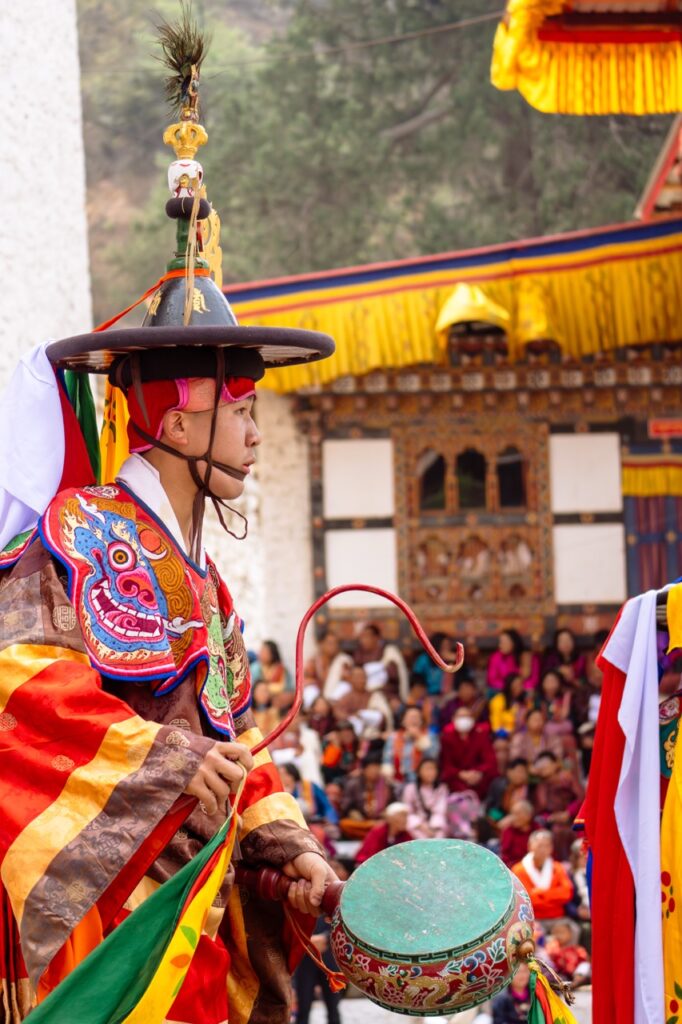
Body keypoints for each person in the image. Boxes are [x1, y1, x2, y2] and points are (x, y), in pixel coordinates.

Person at [0, 27, 338, 1022]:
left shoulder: (209, 585)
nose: (253, 429)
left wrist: (297, 850)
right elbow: (18, 685)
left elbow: (236, 743)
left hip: (203, 928)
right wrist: (175, 765)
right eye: (239, 407)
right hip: (118, 930)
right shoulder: (77, 535)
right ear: (178, 415)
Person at [511, 830, 573, 927]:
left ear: (551, 848)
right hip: (532, 919)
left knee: (573, 930)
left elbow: (566, 893)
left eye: (547, 846)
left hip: (557, 918)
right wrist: (553, 898)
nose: (543, 849)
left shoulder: (558, 867)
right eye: (540, 845)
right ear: (530, 846)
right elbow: (527, 899)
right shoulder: (519, 869)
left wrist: (540, 893)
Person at [439, 706, 498, 799]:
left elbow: (490, 760)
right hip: (457, 777)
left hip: (478, 776)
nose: (464, 720)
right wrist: (461, 774)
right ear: (453, 719)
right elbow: (446, 763)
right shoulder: (447, 738)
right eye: (460, 717)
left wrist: (478, 772)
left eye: (467, 717)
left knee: (493, 778)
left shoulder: (481, 735)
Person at [339, 752, 395, 839]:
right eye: (372, 768)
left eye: (377, 768)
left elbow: (394, 804)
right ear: (364, 769)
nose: (375, 771)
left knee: (390, 825)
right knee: (344, 824)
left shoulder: (387, 784)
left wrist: (387, 813)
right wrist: (352, 812)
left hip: (381, 821)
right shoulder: (353, 784)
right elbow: (345, 806)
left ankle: (375, 834)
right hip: (362, 823)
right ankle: (374, 835)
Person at [382, 705, 439, 784]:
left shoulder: (430, 736)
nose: (413, 720)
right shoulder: (393, 737)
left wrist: (419, 738)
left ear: (421, 721)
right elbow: (387, 760)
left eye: (416, 717)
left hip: (422, 782)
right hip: (398, 781)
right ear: (403, 721)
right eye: (410, 717)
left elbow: (433, 756)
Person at [402, 758, 449, 839]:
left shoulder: (442, 788)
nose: (430, 773)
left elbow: (440, 810)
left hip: (436, 825)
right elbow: (408, 811)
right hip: (417, 825)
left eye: (432, 769)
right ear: (419, 772)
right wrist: (422, 827)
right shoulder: (410, 788)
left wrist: (433, 828)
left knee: (439, 838)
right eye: (427, 769)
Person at [498, 799, 536, 868]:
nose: (513, 818)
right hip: (513, 868)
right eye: (512, 814)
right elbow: (505, 855)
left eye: (517, 814)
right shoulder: (508, 831)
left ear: (528, 815)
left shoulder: (537, 830)